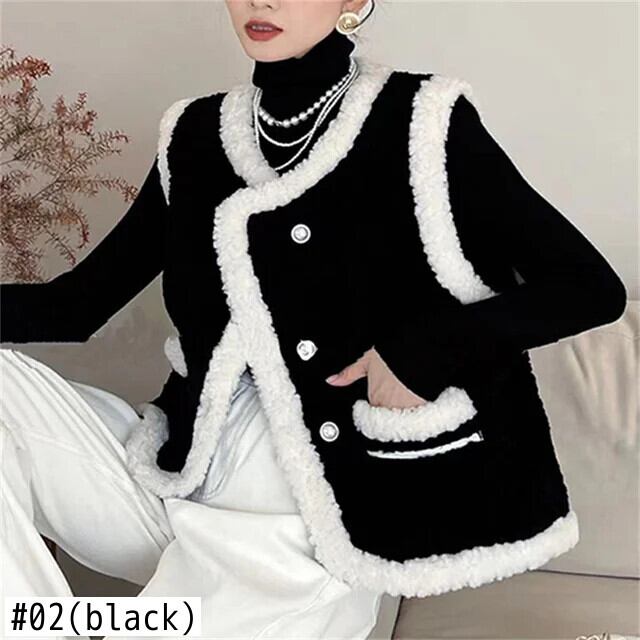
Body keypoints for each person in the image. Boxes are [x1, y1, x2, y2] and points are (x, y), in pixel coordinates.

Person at [0, 0, 628, 636]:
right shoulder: (192, 135)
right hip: (179, 471)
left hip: (312, 512)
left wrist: (422, 353)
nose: (262, 1)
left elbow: (589, 287)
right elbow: (75, 305)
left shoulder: (422, 120)